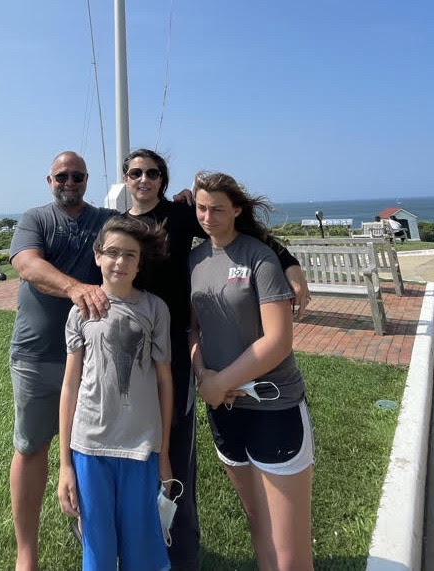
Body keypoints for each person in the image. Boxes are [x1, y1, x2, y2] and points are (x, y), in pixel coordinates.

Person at [120, 149, 311, 570]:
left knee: (177, 456)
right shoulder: (116, 226)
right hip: (131, 356)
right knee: (130, 450)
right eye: (136, 172)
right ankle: (133, 543)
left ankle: (181, 553)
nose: (144, 178)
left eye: (153, 172)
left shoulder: (181, 217)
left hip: (194, 368)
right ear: (125, 177)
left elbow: (244, 236)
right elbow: (196, 323)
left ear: (163, 179)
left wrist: (289, 261)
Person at [187, 171, 314, 570]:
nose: (207, 217)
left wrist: (221, 381)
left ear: (237, 210)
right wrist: (203, 375)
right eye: (202, 208)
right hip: (224, 411)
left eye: (218, 209)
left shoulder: (260, 257)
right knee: (258, 524)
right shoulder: (193, 260)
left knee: (289, 543)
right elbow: (192, 326)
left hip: (273, 408)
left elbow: (278, 340)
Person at [7, 151, 116, 571]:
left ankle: (90, 530)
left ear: (87, 180)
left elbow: (155, 232)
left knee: (92, 449)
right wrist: (75, 288)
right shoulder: (35, 219)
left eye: (78, 176)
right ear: (49, 180)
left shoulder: (105, 219)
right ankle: (26, 554)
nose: (69, 181)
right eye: (61, 176)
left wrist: (180, 201)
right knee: (32, 448)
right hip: (38, 355)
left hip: (93, 357)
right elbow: (27, 265)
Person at [57, 216, 174, 571]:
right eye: (112, 253)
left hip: (140, 447)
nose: (120, 262)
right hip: (89, 447)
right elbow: (70, 385)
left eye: (130, 255)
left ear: (140, 264)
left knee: (143, 549)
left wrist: (164, 453)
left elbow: (164, 381)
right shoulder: (80, 312)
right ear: (97, 257)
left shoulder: (155, 309)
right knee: (97, 548)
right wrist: (64, 465)